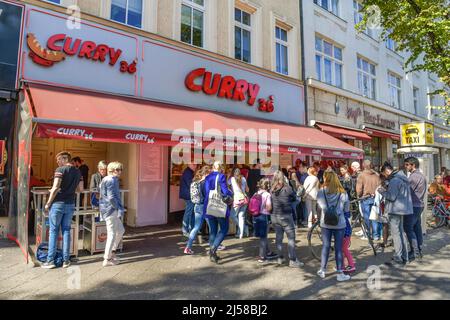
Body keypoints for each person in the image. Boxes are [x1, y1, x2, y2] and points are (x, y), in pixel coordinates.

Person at [41, 151, 83, 269]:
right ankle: (66, 260)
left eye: (58, 160)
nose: (57, 162)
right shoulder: (78, 171)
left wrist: (48, 203)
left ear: (64, 159)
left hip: (58, 204)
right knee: (66, 231)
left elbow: (55, 187)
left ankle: (50, 261)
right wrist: (70, 189)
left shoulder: (60, 170)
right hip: (70, 204)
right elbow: (80, 189)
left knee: (53, 231)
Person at [316, 171, 351, 281]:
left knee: (325, 246)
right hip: (339, 223)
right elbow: (346, 210)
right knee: (338, 248)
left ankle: (322, 270)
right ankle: (340, 273)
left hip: (325, 223)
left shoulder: (321, 192)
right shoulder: (343, 193)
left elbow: (321, 207)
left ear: (326, 179)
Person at [379, 162, 413, 267]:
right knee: (401, 233)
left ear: (387, 171)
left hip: (395, 210)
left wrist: (382, 191)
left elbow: (391, 197)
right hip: (403, 209)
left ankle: (398, 257)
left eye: (384, 174)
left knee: (396, 234)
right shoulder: (402, 177)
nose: (385, 176)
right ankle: (405, 257)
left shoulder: (394, 180)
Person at [270, 170, 304, 268]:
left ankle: (280, 258)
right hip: (286, 216)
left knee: (279, 238)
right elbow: (294, 198)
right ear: (283, 178)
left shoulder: (271, 189)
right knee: (291, 238)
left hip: (274, 216)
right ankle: (293, 260)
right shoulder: (287, 189)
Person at [204, 161, 233, 263]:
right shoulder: (221, 176)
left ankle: (213, 253)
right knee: (224, 228)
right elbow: (225, 192)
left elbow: (206, 191)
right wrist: (230, 192)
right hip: (218, 205)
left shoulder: (207, 177)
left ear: (213, 167)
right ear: (220, 168)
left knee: (213, 230)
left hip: (208, 205)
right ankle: (213, 249)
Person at [99, 161, 125, 267]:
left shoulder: (106, 179)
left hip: (107, 209)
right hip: (111, 210)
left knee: (120, 230)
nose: (120, 172)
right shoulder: (112, 180)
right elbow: (111, 197)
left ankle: (112, 252)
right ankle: (107, 258)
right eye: (118, 170)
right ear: (113, 170)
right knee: (112, 234)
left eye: (120, 170)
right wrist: (118, 207)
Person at [404, 157, 427, 261]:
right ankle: (418, 249)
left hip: (414, 205)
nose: (406, 167)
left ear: (413, 165)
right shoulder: (420, 175)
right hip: (418, 205)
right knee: (417, 227)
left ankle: (415, 252)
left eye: (407, 164)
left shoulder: (414, 177)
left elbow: (407, 191)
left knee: (408, 228)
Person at [184, 165, 210, 255]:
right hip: (205, 207)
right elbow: (207, 196)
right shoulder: (204, 183)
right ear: (206, 173)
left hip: (197, 206)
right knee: (212, 227)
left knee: (195, 227)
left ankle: (188, 247)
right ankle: (216, 245)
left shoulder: (195, 182)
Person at [356, 160, 382, 241]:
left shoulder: (362, 175)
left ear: (364, 165)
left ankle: (368, 234)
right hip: (375, 198)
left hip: (365, 198)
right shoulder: (377, 175)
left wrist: (359, 195)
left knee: (366, 217)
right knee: (374, 217)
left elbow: (359, 189)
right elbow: (380, 186)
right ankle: (376, 235)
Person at [253, 178, 278, 263]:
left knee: (262, 236)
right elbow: (268, 207)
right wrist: (272, 209)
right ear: (268, 185)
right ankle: (262, 256)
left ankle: (268, 252)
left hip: (256, 216)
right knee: (263, 237)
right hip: (264, 216)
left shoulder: (256, 193)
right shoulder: (267, 194)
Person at [230, 168, 249, 239]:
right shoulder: (243, 178)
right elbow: (247, 189)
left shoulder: (232, 179)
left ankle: (243, 229)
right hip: (244, 199)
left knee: (232, 215)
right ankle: (241, 233)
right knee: (241, 217)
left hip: (237, 200)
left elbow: (227, 184)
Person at [180, 164, 197, 237]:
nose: (195, 165)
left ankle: (190, 229)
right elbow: (190, 184)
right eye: (194, 164)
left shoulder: (189, 172)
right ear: (190, 164)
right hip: (188, 195)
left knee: (190, 212)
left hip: (188, 195)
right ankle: (185, 229)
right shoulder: (188, 172)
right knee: (189, 212)